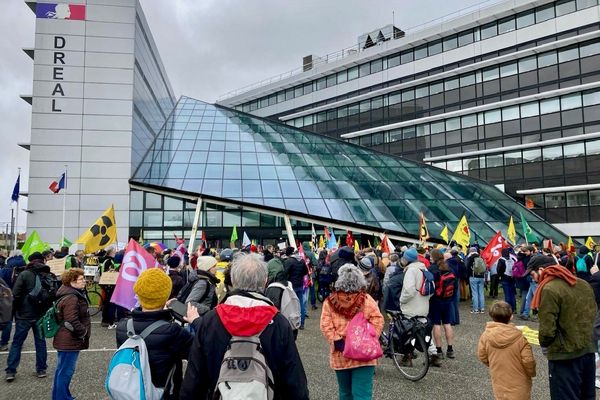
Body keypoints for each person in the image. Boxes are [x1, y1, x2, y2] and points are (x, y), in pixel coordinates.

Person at [180, 253, 309, 399]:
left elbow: (194, 378)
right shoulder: (278, 322)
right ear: (265, 281)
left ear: (233, 280)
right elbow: (294, 380)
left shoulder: (211, 320)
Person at [116, 268, 200, 399]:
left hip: (133, 389)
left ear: (138, 293)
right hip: (163, 392)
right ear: (166, 295)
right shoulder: (172, 331)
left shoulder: (122, 327)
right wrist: (196, 321)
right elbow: (199, 353)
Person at [528, 255, 597, 399]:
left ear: (541, 270)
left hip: (564, 356)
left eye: (532, 274)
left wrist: (545, 345)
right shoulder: (583, 283)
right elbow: (592, 314)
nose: (533, 279)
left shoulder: (549, 288)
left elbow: (547, 330)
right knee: (587, 396)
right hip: (588, 350)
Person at [320, 264, 384, 400]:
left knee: (345, 393)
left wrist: (337, 340)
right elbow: (378, 320)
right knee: (363, 394)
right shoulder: (366, 300)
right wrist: (369, 338)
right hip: (364, 354)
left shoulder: (330, 302)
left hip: (340, 353)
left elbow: (325, 325)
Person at [5, 252, 51, 381]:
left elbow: (15, 294)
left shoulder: (24, 274)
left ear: (30, 261)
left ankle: (11, 371)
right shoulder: (47, 274)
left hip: (24, 315)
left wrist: (16, 310)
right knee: (40, 342)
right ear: (42, 260)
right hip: (41, 314)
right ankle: (41, 369)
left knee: (17, 343)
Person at [477, 301, 536, 400]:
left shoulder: (485, 336)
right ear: (511, 316)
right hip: (519, 382)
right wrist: (531, 373)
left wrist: (493, 364)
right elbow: (528, 361)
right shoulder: (520, 338)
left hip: (499, 379)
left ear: (492, 316)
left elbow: (482, 355)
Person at [51, 268, 90, 400]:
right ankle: (62, 398)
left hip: (65, 338)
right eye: (81, 279)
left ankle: (61, 396)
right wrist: (83, 331)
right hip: (69, 340)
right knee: (66, 372)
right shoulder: (72, 297)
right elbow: (71, 320)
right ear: (72, 281)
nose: (84, 281)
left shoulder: (69, 292)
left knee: (62, 370)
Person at [399, 248, 440, 367]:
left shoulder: (411, 271)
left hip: (411, 307)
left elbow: (408, 290)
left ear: (406, 259)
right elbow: (432, 289)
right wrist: (424, 299)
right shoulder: (424, 268)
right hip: (423, 306)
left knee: (407, 332)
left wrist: (402, 300)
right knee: (423, 331)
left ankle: (407, 357)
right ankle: (433, 354)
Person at [429, 249, 457, 360]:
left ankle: (439, 350)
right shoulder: (449, 268)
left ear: (433, 257)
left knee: (436, 325)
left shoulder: (432, 269)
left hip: (436, 300)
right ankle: (450, 349)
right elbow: (455, 286)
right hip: (448, 300)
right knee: (447, 324)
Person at [283, 247, 308, 329]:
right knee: (300, 304)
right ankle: (302, 323)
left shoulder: (289, 261)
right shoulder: (301, 261)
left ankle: (291, 323)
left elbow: (285, 273)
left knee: (291, 304)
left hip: (291, 286)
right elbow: (306, 272)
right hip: (300, 285)